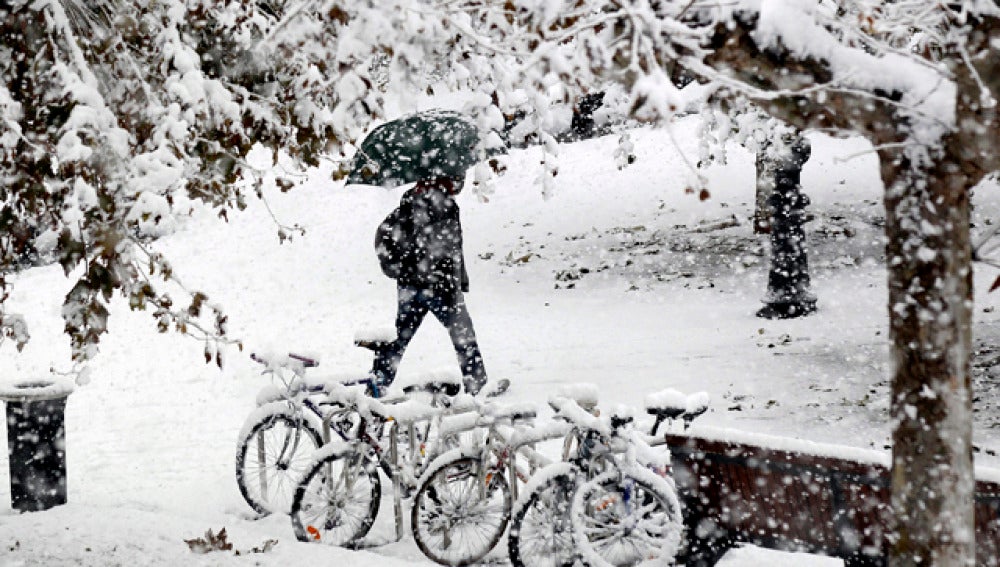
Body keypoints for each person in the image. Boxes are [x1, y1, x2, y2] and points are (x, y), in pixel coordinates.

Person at [370, 175, 489, 396]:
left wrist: (401, 270)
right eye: (454, 182)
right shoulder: (429, 206)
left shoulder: (418, 204)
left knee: (399, 338)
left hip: (419, 286)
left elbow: (452, 248)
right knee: (463, 335)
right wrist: (399, 268)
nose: (457, 187)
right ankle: (478, 387)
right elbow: (385, 236)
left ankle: (377, 384)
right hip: (439, 287)